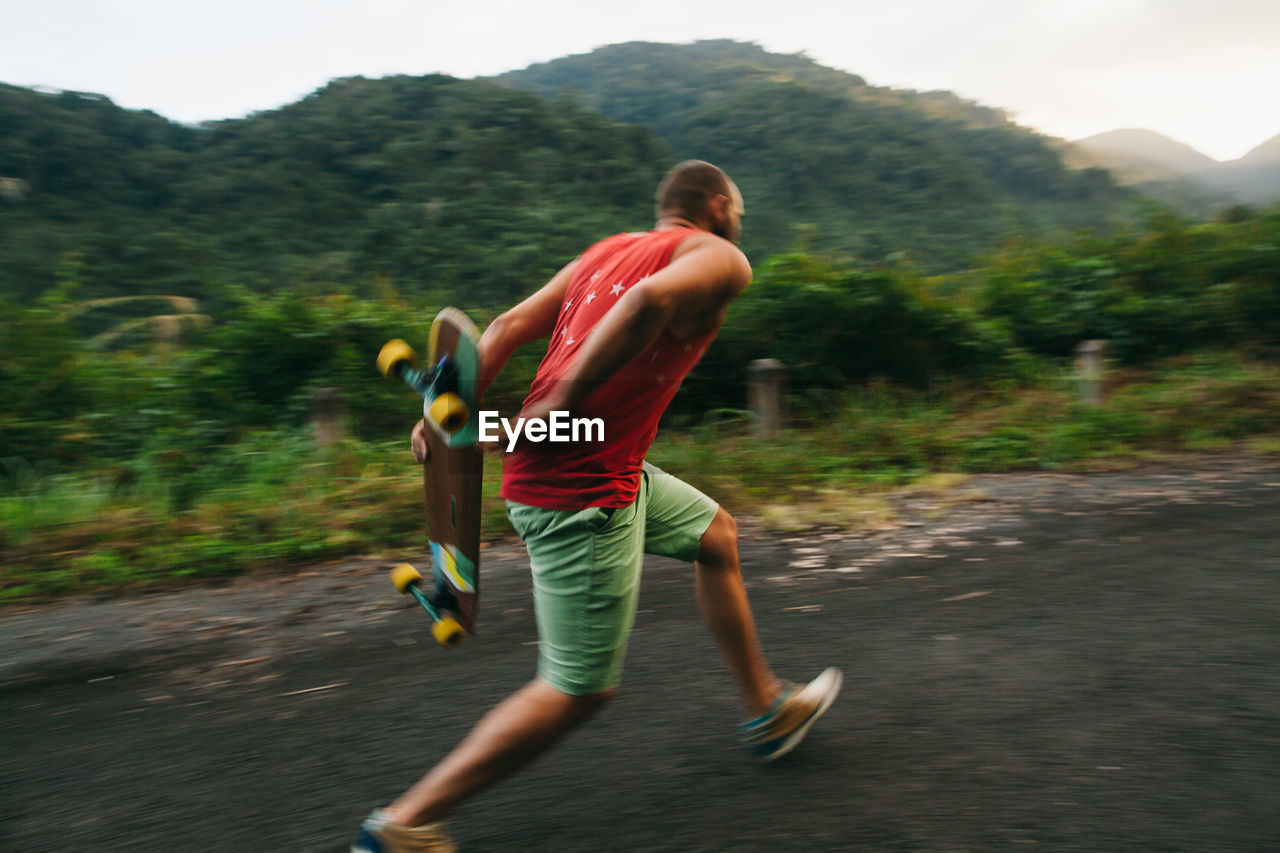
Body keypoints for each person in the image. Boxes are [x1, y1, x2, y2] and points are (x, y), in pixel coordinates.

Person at [353, 161, 841, 853]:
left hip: (584, 452)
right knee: (577, 687)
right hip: (581, 483)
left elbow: (510, 322)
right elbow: (645, 306)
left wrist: (445, 412)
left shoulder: (602, 252)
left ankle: (766, 707)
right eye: (739, 210)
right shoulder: (722, 258)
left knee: (716, 535)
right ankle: (404, 822)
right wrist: (562, 400)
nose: (740, 223)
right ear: (717, 204)